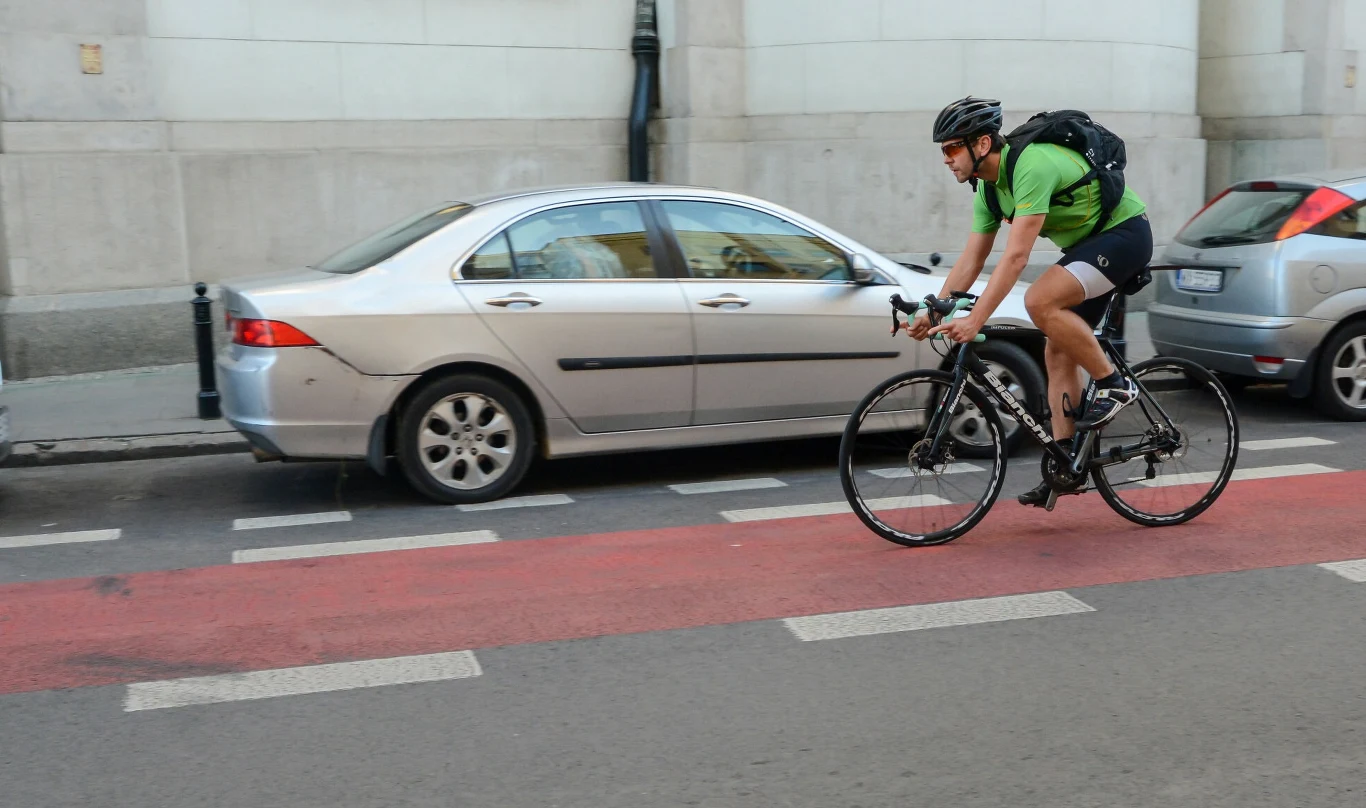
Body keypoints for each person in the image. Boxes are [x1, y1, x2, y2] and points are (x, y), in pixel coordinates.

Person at [906, 96, 1153, 507]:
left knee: (1040, 302)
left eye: (951, 148)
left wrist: (976, 319)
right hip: (1087, 247)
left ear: (981, 144)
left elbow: (1017, 257)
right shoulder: (988, 191)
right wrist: (929, 310)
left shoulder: (1031, 165)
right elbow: (972, 259)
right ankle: (1067, 463)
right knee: (1056, 349)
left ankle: (1115, 385)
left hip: (1124, 234)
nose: (946, 159)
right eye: (943, 151)